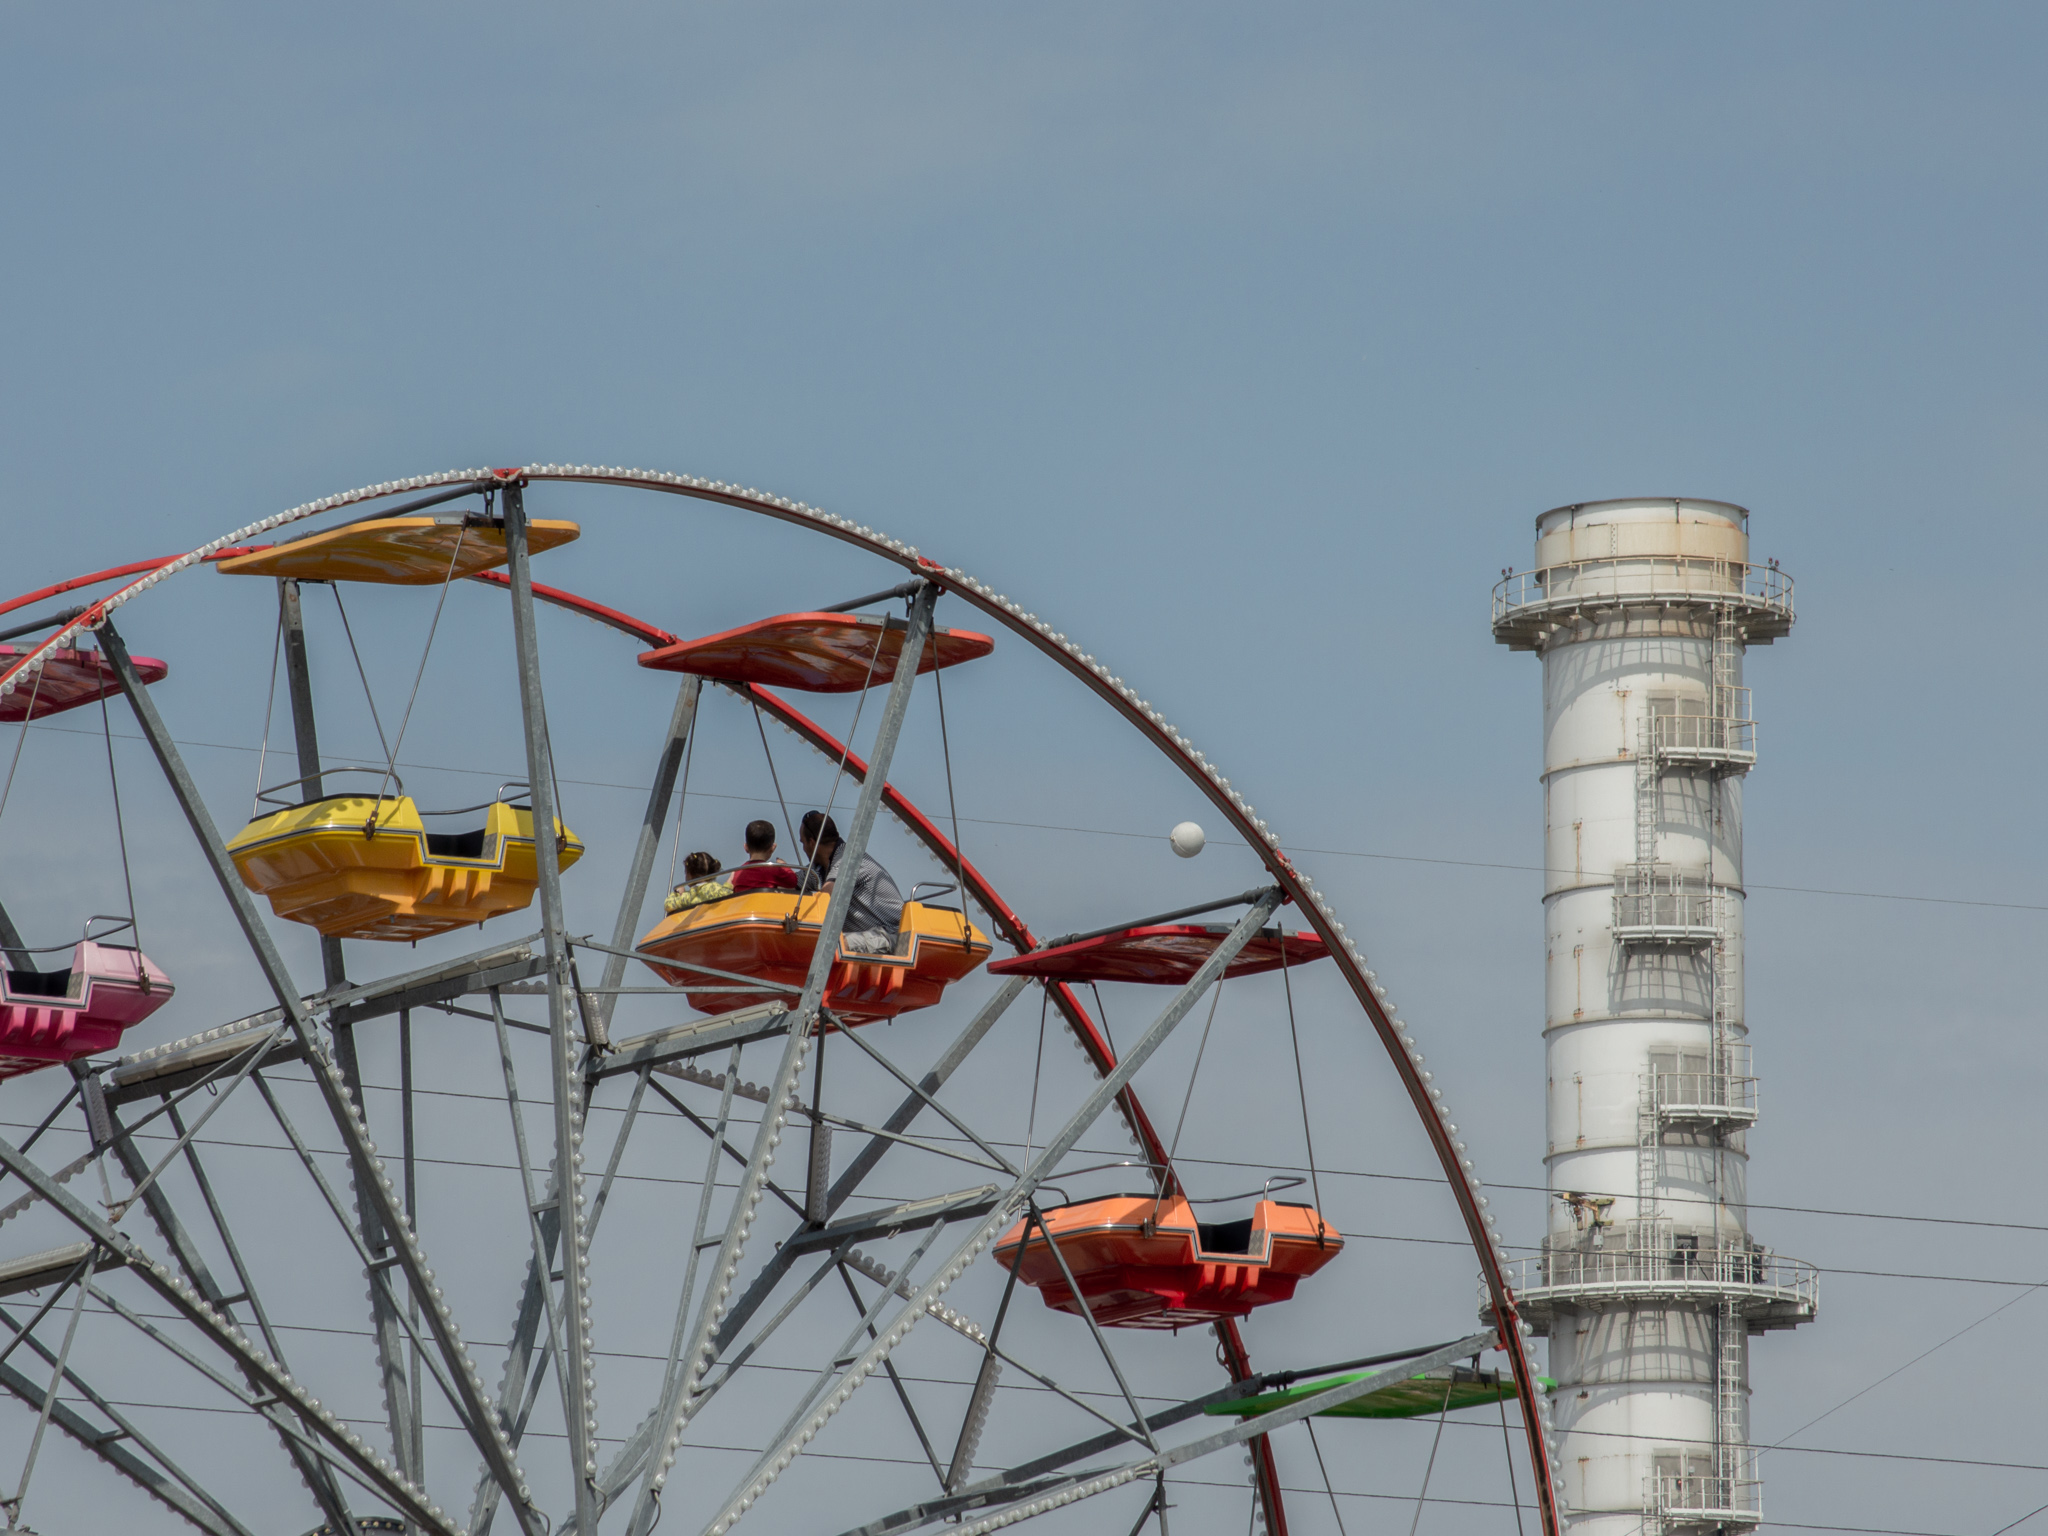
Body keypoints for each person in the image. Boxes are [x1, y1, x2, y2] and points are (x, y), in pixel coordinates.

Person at [798, 810, 903, 953]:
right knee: (817, 944)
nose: (803, 848)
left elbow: (827, 897)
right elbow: (793, 881)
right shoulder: (820, 868)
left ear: (811, 843)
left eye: (802, 842)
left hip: (890, 935)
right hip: (866, 935)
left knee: (830, 945)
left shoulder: (849, 859)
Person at [728, 819, 802, 894]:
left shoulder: (737, 873)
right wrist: (783, 865)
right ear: (773, 848)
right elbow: (792, 882)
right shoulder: (775, 870)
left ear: (746, 848)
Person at [663, 851, 733, 913]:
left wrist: (677, 893)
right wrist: (730, 880)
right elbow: (726, 893)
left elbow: (668, 905)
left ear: (689, 874)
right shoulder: (713, 888)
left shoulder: (689, 896)